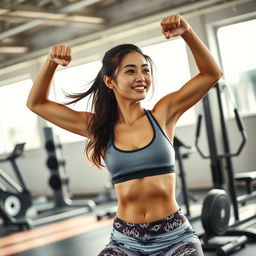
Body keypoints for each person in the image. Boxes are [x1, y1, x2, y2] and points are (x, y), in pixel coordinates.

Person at [27, 14, 222, 256]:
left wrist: (188, 32)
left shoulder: (163, 114)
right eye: (130, 71)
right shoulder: (97, 126)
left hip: (175, 237)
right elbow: (37, 103)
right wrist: (51, 62)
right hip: (125, 241)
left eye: (145, 70)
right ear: (110, 81)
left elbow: (211, 74)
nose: (141, 78)